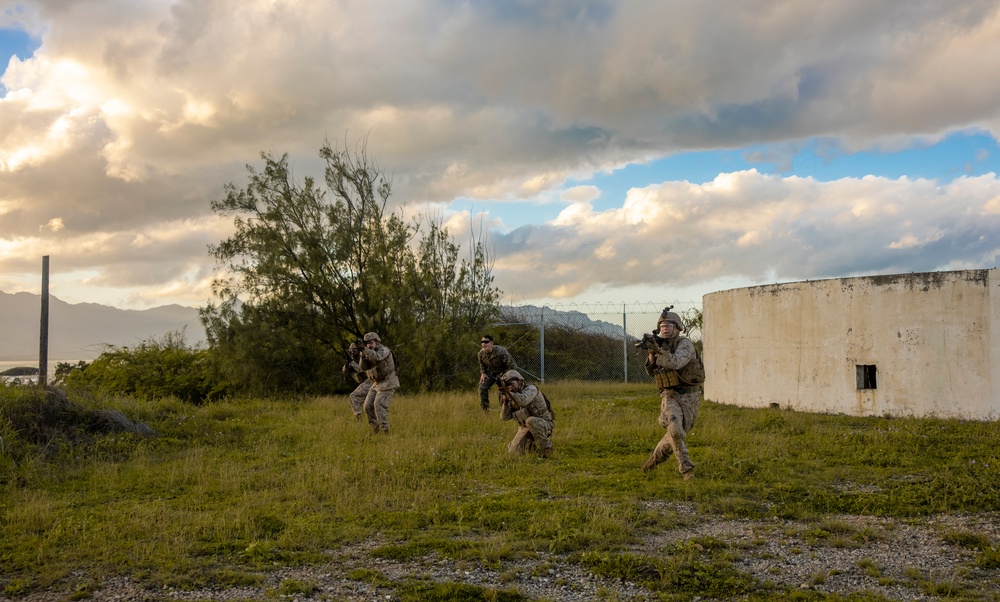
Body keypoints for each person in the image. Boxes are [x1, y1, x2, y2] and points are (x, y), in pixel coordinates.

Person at [640, 309, 703, 480]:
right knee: (675, 430)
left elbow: (676, 362)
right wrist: (652, 352)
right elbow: (651, 372)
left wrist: (659, 351)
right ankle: (687, 470)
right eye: (661, 325)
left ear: (677, 327)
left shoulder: (685, 344)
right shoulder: (661, 345)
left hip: (690, 396)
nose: (665, 328)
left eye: (668, 325)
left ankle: (653, 461)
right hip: (669, 395)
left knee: (676, 434)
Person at [498, 370, 554, 457]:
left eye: (512, 383)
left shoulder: (531, 389)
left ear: (520, 381)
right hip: (524, 427)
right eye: (508, 385)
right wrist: (505, 402)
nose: (511, 387)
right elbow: (504, 417)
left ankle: (546, 448)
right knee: (513, 452)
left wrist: (509, 394)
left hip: (543, 423)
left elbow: (523, 401)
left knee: (531, 421)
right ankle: (531, 444)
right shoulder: (511, 395)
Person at [358, 332, 399, 434]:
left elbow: (377, 357)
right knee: (367, 406)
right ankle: (376, 430)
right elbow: (362, 368)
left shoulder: (384, 350)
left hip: (388, 382)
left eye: (371, 343)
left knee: (379, 405)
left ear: (376, 342)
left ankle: (385, 431)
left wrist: (364, 349)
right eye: (367, 344)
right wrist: (362, 356)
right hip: (376, 383)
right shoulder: (368, 352)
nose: (369, 345)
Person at [478, 335, 518, 411]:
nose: (484, 344)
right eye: (482, 342)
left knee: (501, 389)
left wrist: (508, 376)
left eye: (486, 342)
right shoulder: (480, 354)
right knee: (482, 387)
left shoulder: (501, 351)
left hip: (503, 372)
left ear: (491, 343)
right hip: (491, 373)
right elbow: (482, 364)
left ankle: (503, 410)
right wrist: (483, 373)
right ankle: (485, 409)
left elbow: (512, 366)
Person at [341, 339, 371, 420]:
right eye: (351, 351)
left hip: (370, 381)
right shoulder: (351, 360)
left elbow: (362, 370)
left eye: (354, 350)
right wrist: (347, 364)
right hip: (365, 382)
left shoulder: (363, 357)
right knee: (364, 402)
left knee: (353, 396)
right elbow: (344, 372)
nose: (352, 352)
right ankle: (368, 419)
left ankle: (358, 417)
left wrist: (353, 363)